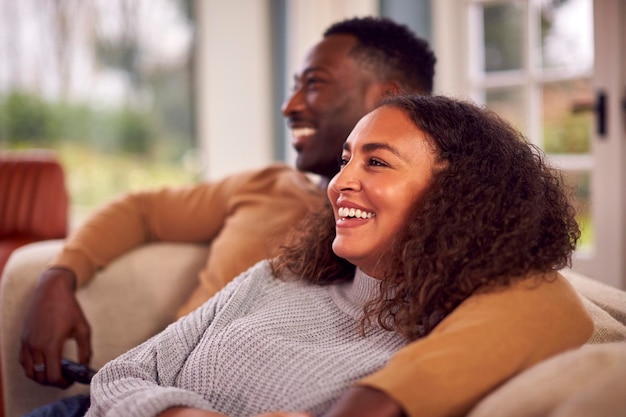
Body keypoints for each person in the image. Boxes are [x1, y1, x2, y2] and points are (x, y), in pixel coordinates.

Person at [19, 15, 438, 414]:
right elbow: (141, 210)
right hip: (137, 395)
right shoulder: (267, 188)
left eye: (313, 84)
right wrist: (58, 278)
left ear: (387, 98)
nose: (289, 106)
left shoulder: (433, 258)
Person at [82, 95, 593, 417]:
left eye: (376, 162)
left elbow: (558, 306)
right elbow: (117, 377)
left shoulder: (458, 336)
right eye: (346, 159)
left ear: (458, 195)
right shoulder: (273, 280)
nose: (342, 181)